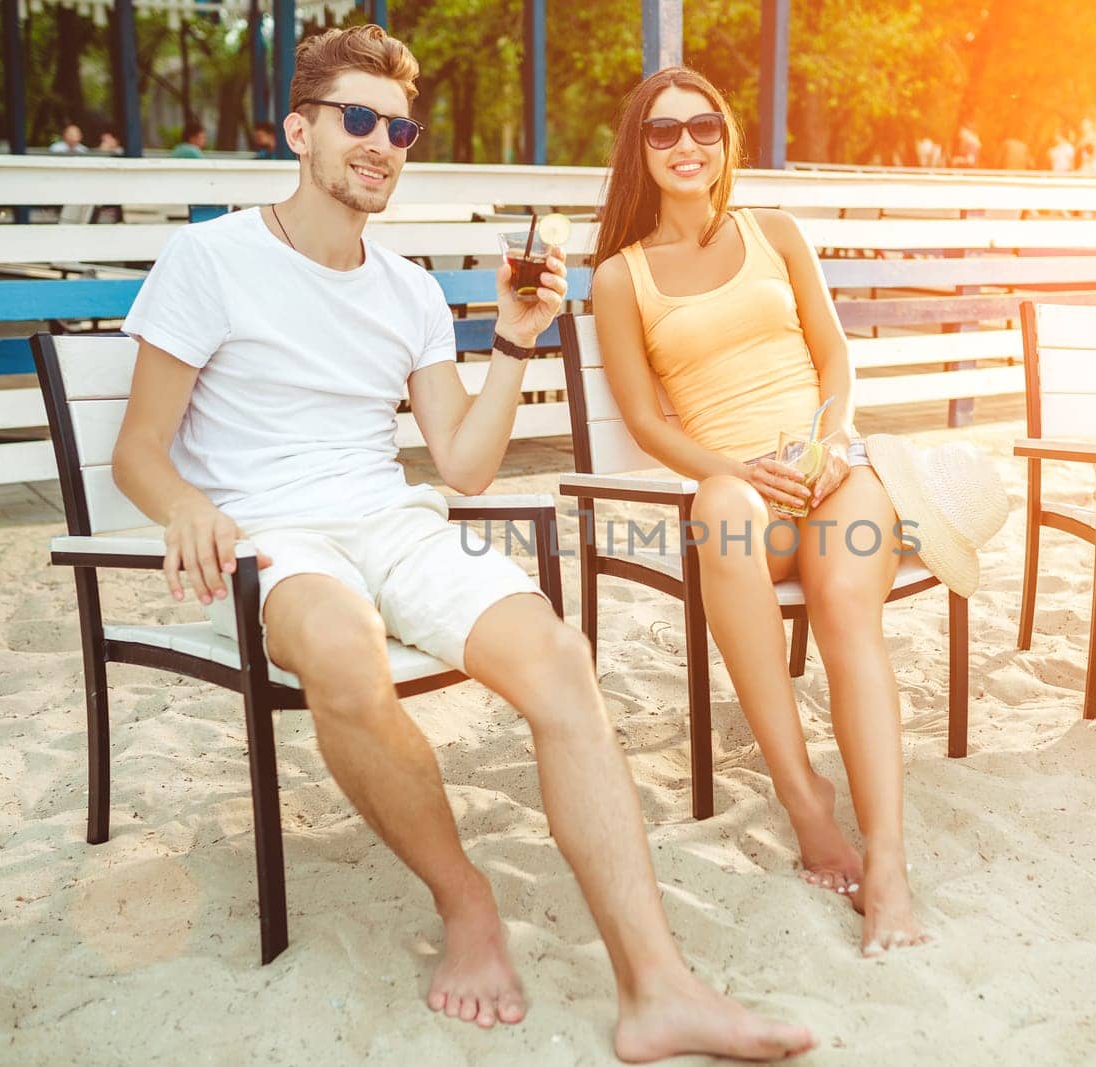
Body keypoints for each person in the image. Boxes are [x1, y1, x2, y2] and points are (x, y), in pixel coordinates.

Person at [112, 26, 810, 1062]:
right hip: (273, 540)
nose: (382, 142)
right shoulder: (209, 257)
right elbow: (137, 452)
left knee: (561, 661)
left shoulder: (408, 291)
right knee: (346, 650)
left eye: (399, 126)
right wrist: (183, 505)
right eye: (358, 119)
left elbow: (467, 467)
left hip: (395, 524)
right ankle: (467, 899)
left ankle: (657, 985)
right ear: (298, 130)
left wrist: (515, 340)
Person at [590, 66, 931, 958]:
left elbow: (834, 357)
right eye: (663, 133)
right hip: (739, 481)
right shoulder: (621, 280)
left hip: (831, 469)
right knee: (719, 511)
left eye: (702, 127)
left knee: (846, 603)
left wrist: (830, 440)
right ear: (640, 149)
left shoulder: (775, 231)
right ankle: (804, 798)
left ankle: (887, 862)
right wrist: (739, 469)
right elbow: (642, 421)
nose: (686, 145)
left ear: (726, 137)